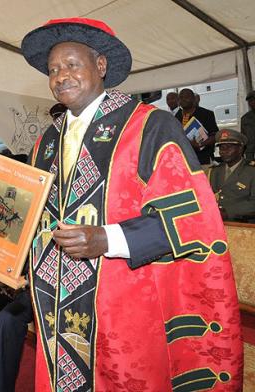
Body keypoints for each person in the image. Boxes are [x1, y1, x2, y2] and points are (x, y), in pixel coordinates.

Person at [20, 17, 242, 391]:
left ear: (100, 66)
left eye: (72, 65)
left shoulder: (149, 126)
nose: (60, 76)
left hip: (124, 302)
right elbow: (34, 215)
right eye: (53, 69)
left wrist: (109, 238)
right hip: (55, 305)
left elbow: (191, 217)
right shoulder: (46, 141)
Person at [208, 128, 255, 221]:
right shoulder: (214, 171)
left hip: (242, 225)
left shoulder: (251, 172)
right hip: (216, 223)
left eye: (228, 147)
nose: (223, 151)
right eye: (221, 147)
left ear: (240, 149)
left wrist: (228, 213)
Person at [175, 88, 219, 168]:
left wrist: (200, 144)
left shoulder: (206, 114)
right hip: (183, 162)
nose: (183, 100)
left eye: (186, 97)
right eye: (181, 97)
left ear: (194, 99)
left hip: (203, 160)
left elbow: (215, 136)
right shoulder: (176, 117)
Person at [241, 90, 255, 160]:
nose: (252, 103)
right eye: (250, 101)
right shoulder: (245, 118)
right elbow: (243, 138)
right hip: (250, 153)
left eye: (253, 100)